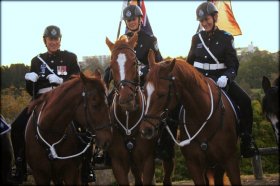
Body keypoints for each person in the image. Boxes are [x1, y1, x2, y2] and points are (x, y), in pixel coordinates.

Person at [8, 25, 95, 184]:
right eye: (50, 39)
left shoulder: (70, 58)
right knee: (17, 127)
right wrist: (30, 81)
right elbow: (31, 91)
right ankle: (20, 166)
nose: (53, 42)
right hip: (40, 100)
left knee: (86, 128)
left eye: (56, 39)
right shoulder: (36, 61)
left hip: (64, 103)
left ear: (60, 40)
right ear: (45, 41)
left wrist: (62, 81)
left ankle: (87, 167)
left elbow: (77, 82)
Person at [103, 4, 176, 184]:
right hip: (124, 86)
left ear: (140, 19)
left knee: (167, 115)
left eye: (134, 19)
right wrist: (106, 78)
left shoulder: (150, 39)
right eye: (128, 20)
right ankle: (104, 150)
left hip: (145, 84)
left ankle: (165, 146)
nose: (131, 22)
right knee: (105, 106)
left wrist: (145, 71)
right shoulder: (121, 41)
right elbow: (114, 63)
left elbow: (158, 62)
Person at [186, 2, 258, 158]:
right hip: (199, 82)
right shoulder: (196, 39)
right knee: (172, 103)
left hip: (221, 80)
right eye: (202, 21)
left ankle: (246, 140)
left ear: (215, 17)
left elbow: (233, 64)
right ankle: (169, 142)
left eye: (207, 19)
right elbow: (189, 63)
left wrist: (227, 77)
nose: (205, 23)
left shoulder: (226, 38)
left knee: (245, 101)